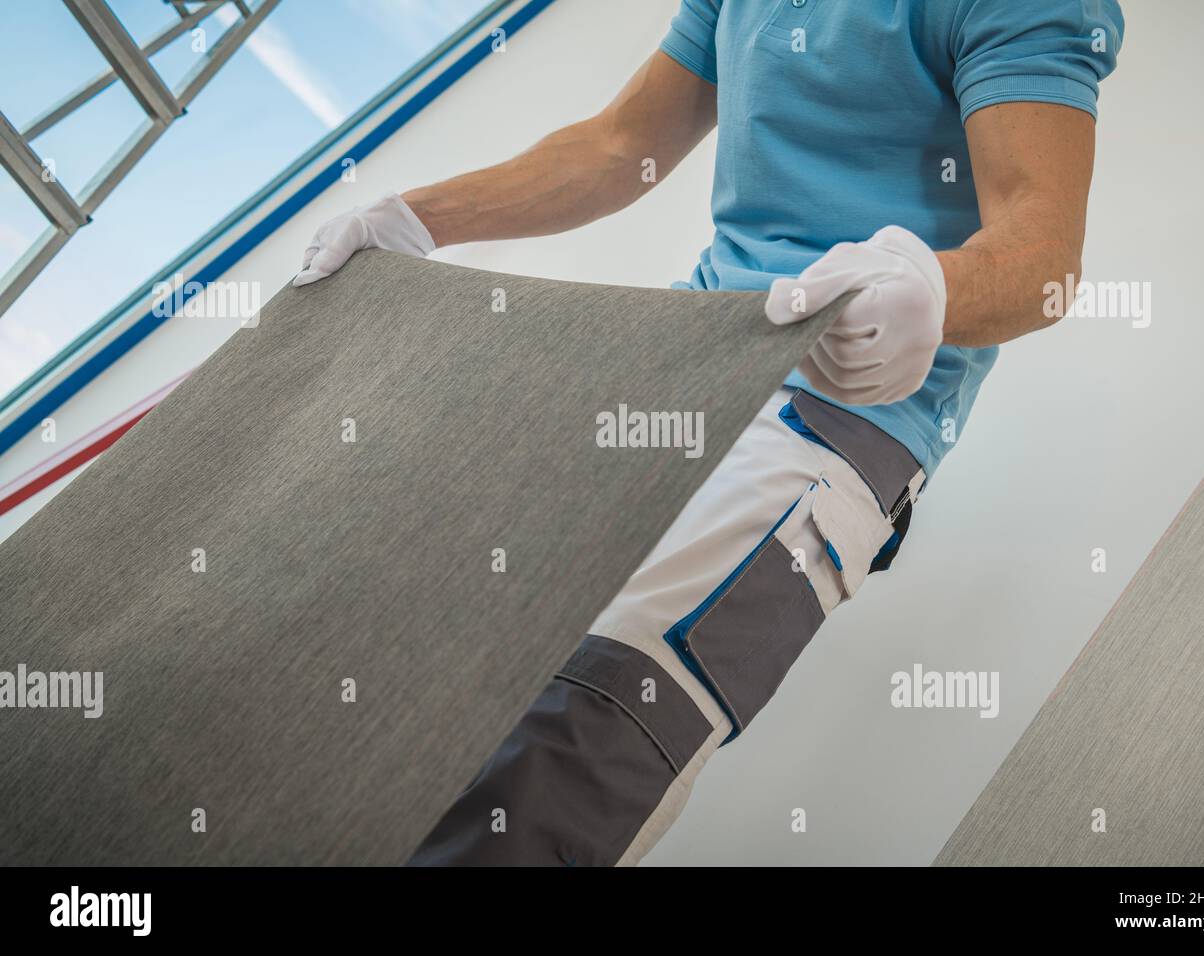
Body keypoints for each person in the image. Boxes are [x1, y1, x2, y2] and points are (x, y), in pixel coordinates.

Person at [296, 0, 1123, 865]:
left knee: (584, 719)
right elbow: (621, 145)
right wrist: (414, 217)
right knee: (451, 686)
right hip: (686, 367)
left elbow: (1044, 255)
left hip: (830, 419)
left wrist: (930, 285)